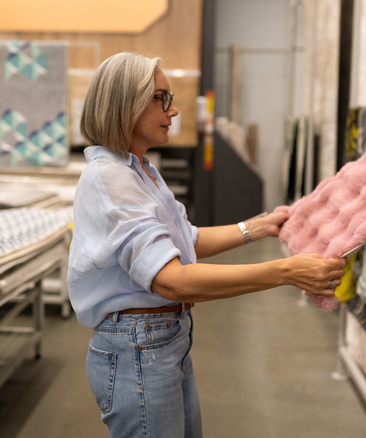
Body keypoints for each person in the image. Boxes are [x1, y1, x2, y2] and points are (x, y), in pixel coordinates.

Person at [67, 52, 347, 438]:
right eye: (162, 98)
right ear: (126, 104)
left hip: (162, 339)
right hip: (138, 348)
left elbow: (188, 239)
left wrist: (258, 226)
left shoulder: (141, 169)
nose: (175, 110)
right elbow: (171, 281)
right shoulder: (112, 179)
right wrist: (285, 272)